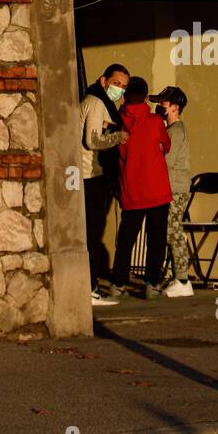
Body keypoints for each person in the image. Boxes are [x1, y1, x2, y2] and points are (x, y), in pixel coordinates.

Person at [111, 76, 172, 299]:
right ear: (146, 97)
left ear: (125, 96)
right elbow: (166, 145)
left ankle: (118, 283)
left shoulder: (118, 121)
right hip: (157, 189)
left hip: (132, 189)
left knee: (126, 239)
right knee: (155, 238)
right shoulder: (155, 121)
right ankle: (151, 283)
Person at [80, 63, 129, 306]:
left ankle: (92, 287)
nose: (119, 90)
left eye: (123, 87)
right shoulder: (97, 103)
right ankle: (89, 289)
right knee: (92, 233)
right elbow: (92, 140)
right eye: (116, 83)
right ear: (103, 81)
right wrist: (117, 137)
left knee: (92, 233)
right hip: (90, 175)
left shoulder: (97, 102)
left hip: (92, 174)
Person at [152, 86, 193, 297]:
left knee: (173, 230)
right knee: (171, 230)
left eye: (163, 104)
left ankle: (183, 280)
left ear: (175, 108)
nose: (159, 106)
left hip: (175, 188)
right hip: (173, 187)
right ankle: (177, 277)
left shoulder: (175, 132)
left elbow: (165, 162)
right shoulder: (171, 130)